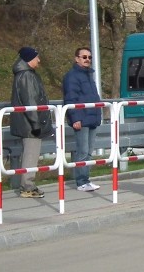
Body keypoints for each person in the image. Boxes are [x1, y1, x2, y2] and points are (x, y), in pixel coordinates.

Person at [10, 47, 54, 198]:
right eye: (37, 57)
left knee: (30, 154)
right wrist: (36, 123)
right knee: (31, 155)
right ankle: (27, 186)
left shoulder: (24, 74)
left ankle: (27, 184)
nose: (39, 60)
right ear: (29, 59)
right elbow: (30, 101)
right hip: (29, 124)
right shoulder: (27, 76)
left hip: (26, 122)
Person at [62, 47, 102, 192]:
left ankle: (86, 179)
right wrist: (75, 118)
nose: (87, 60)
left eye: (89, 57)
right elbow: (70, 99)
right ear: (77, 58)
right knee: (82, 151)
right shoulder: (72, 76)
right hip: (81, 118)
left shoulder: (89, 76)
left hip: (92, 117)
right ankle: (81, 181)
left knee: (89, 152)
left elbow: (92, 97)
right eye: (84, 57)